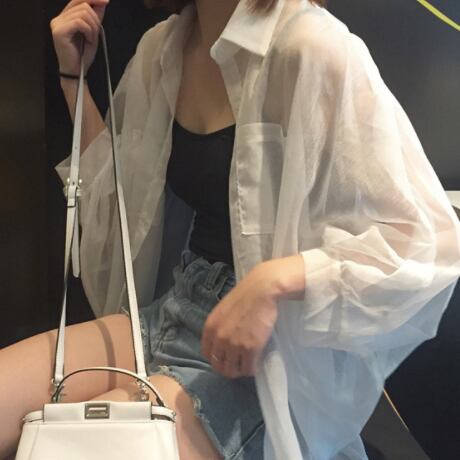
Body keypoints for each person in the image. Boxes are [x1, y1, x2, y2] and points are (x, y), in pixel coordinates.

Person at [1, 0, 460, 459]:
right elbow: (114, 198)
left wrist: (276, 279)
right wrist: (75, 79)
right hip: (178, 306)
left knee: (71, 451)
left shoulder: (311, 46)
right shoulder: (164, 47)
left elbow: (427, 241)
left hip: (264, 353)